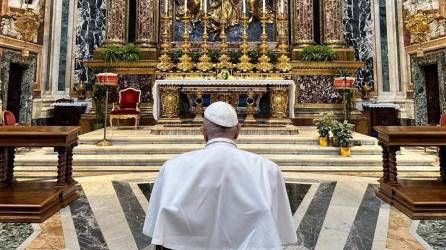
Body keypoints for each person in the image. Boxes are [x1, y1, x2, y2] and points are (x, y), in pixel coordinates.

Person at [143, 101, 297, 250]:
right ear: (238, 130)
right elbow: (278, 230)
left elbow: (156, 228)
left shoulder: (172, 167)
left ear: (204, 132)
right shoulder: (268, 170)